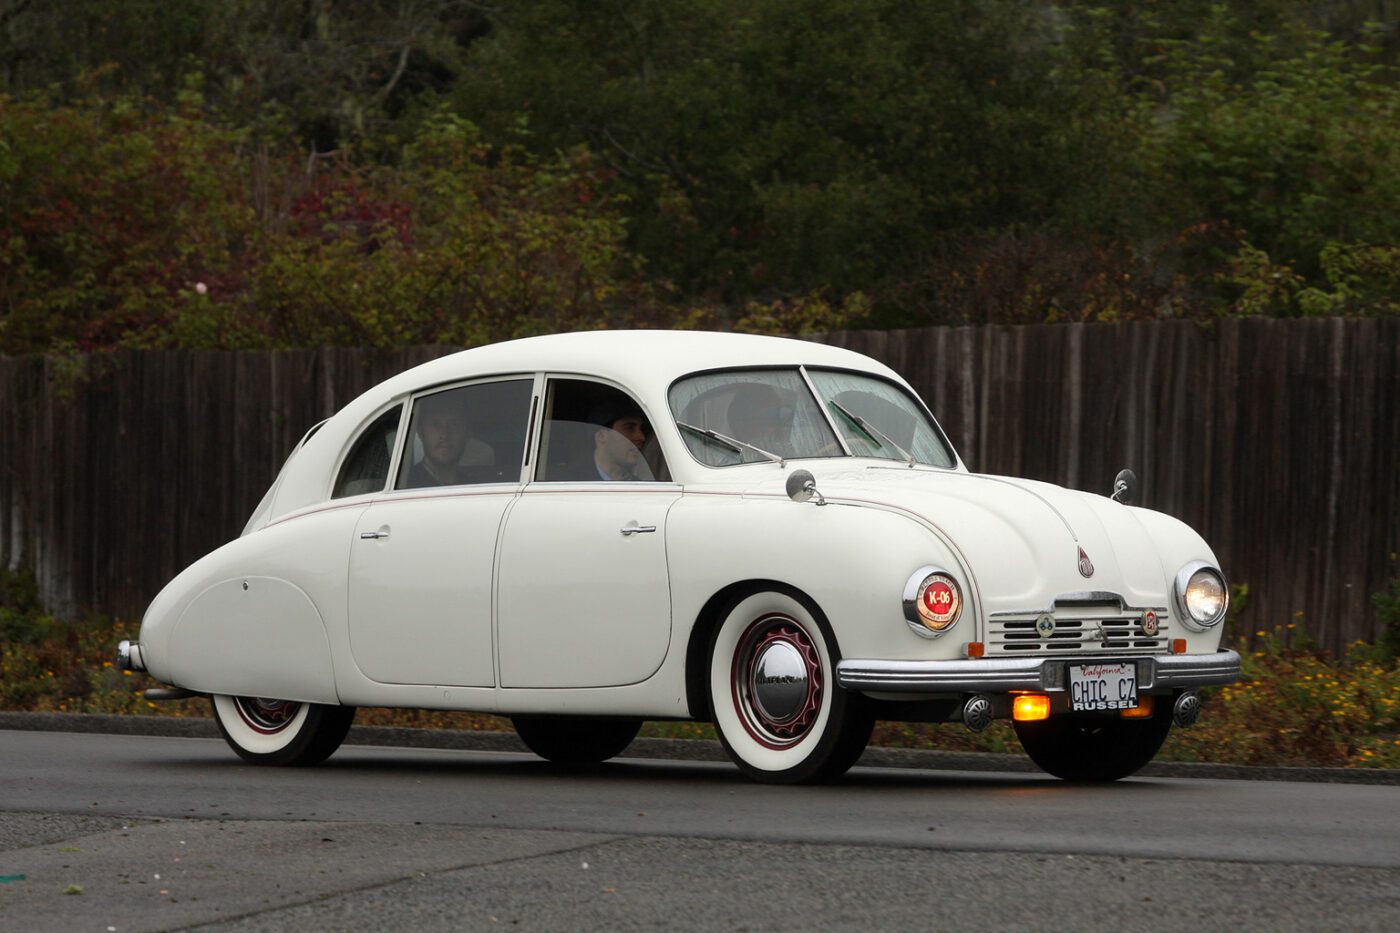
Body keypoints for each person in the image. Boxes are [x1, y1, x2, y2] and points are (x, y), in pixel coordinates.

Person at [404, 393, 472, 487]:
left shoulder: (474, 486)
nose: (444, 434)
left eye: (454, 424)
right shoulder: (405, 485)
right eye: (436, 424)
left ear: (467, 434)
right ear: (421, 432)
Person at [587, 399, 651, 481]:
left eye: (642, 429)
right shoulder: (572, 481)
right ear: (601, 436)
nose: (641, 437)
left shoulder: (642, 487)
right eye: (629, 428)